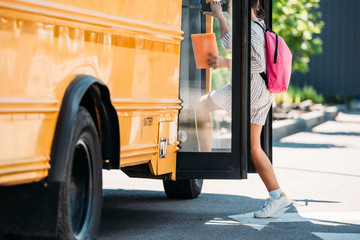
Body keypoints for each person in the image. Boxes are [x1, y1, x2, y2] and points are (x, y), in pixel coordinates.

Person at [195, 0, 291, 218]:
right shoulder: (256, 24)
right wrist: (220, 17)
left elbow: (257, 64)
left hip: (251, 91)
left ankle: (205, 159)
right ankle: (278, 196)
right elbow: (231, 44)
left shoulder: (251, 28)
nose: (227, 3)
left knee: (201, 106)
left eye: (229, 1)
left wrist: (224, 62)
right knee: (254, 149)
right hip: (263, 93)